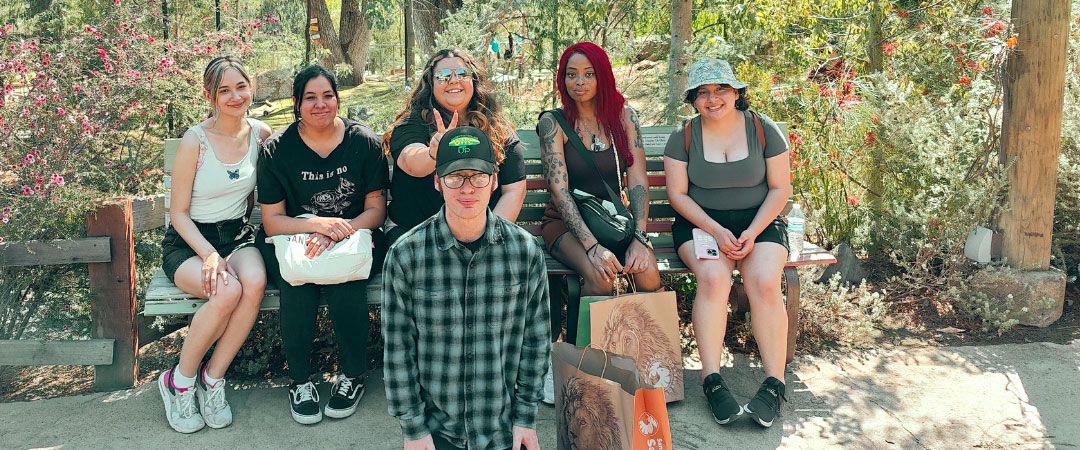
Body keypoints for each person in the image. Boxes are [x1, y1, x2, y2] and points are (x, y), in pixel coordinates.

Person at [383, 126, 549, 450]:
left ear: (495, 180)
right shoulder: (406, 255)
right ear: (437, 181)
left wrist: (526, 418)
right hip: (437, 432)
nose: (467, 188)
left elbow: (536, 342)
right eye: (455, 177)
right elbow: (398, 353)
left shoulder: (525, 252)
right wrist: (414, 430)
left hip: (502, 431)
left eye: (477, 176)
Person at [256, 65, 389, 425]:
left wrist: (336, 231)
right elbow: (272, 221)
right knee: (297, 283)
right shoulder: (276, 150)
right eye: (310, 98)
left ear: (337, 98)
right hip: (295, 241)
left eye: (327, 96)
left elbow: (376, 210)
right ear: (297, 103)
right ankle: (299, 380)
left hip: (354, 237)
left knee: (346, 280)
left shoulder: (363, 142)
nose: (320, 105)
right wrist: (317, 225)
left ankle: (353, 376)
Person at [663, 59, 792, 428]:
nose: (713, 98)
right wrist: (718, 232)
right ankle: (711, 378)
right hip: (700, 224)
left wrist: (752, 231)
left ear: (737, 93)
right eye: (703, 93)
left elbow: (781, 188)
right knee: (715, 279)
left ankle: (774, 382)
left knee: (764, 282)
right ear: (694, 100)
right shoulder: (684, 135)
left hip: (759, 221)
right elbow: (678, 195)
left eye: (721, 89)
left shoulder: (763, 129)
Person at [158, 56, 272, 434]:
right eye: (224, 90)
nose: (235, 96)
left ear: (250, 87)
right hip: (189, 243)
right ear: (209, 96)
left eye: (241, 86)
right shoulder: (195, 141)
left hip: (237, 237)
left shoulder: (260, 133)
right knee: (226, 291)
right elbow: (178, 214)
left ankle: (213, 379)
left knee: (253, 283)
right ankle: (179, 381)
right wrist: (209, 255)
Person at [536, 41, 660, 334]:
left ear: (602, 75)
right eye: (571, 74)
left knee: (648, 272)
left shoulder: (624, 116)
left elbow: (638, 180)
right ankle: (589, 369)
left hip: (613, 219)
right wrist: (592, 247)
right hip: (566, 223)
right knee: (601, 274)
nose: (579, 82)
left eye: (588, 74)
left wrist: (640, 237)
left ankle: (646, 360)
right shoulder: (553, 123)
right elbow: (559, 190)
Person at [383, 49, 526, 243]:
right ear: (431, 84)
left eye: (462, 74)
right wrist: (433, 153)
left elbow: (514, 190)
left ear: (473, 81)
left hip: (479, 234)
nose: (453, 80)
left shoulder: (495, 126)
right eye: (442, 76)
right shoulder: (413, 123)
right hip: (414, 233)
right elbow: (411, 161)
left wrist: (490, 239)